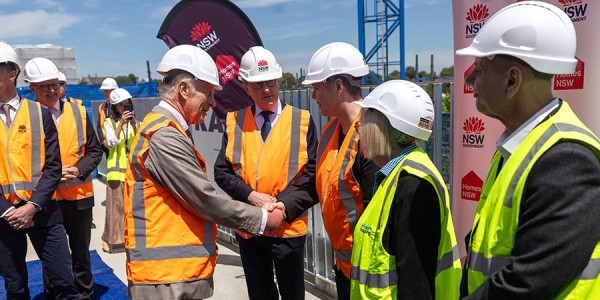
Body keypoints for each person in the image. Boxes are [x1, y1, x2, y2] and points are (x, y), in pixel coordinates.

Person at [456, 1, 600, 298]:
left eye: (479, 69)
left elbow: (528, 283)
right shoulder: (521, 146)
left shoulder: (566, 160)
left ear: (512, 80)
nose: (469, 80)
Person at [124, 44, 286, 300]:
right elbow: (203, 197)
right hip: (166, 277)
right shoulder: (164, 135)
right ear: (184, 89)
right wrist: (262, 220)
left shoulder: (166, 129)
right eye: (208, 94)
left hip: (171, 274)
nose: (212, 103)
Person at [275, 42, 379, 300]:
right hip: (345, 265)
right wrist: (281, 206)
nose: (312, 97)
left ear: (339, 86)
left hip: (371, 270)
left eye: (316, 89)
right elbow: (316, 183)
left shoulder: (371, 136)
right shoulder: (331, 131)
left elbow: (378, 213)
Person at [214, 46, 318, 300]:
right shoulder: (234, 121)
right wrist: (252, 196)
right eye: (258, 84)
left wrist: (281, 206)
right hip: (250, 225)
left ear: (279, 79)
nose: (267, 90)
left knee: (293, 293)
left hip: (288, 227)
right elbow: (222, 171)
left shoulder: (302, 121)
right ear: (245, 86)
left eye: (270, 82)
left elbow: (313, 174)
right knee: (259, 293)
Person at [348, 80, 461, 299]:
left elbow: (416, 284)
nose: (359, 133)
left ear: (380, 127)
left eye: (362, 125)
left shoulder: (412, 185)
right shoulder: (398, 174)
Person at [0, 42, 79, 299]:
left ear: (12, 73)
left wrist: (32, 206)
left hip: (43, 210)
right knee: (15, 286)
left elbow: (53, 167)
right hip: (4, 215)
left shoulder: (38, 113)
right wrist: (9, 211)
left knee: (63, 281)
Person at [25, 57, 104, 299]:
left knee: (81, 253)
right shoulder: (27, 116)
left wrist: (79, 170)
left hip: (78, 196)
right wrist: (48, 176)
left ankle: (84, 294)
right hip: (46, 200)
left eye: (55, 84)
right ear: (32, 89)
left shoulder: (78, 112)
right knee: (52, 258)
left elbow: (95, 150)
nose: (51, 90)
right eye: (44, 86)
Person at [101, 88, 136, 254]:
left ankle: (128, 239)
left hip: (131, 173)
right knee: (115, 209)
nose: (124, 107)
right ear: (115, 107)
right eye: (121, 104)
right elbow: (112, 143)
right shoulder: (109, 123)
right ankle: (112, 242)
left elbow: (138, 142)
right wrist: (121, 124)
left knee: (130, 209)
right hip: (116, 173)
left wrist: (134, 124)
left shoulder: (134, 123)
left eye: (126, 103)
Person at [97, 77, 118, 155]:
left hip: (118, 142)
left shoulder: (120, 106)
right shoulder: (102, 107)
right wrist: (103, 141)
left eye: (106, 90)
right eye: (104, 90)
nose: (104, 92)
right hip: (106, 145)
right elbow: (99, 126)